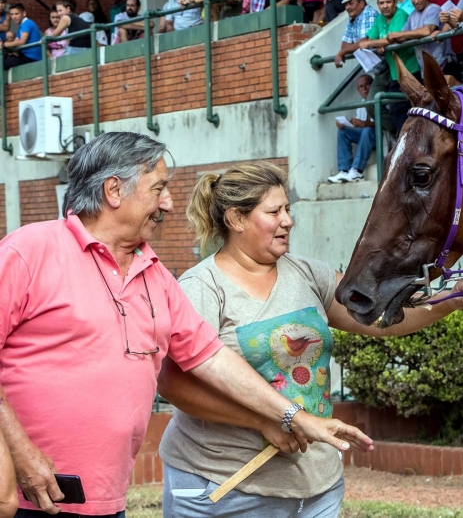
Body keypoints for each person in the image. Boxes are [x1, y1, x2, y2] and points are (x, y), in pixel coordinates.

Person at [0, 132, 373, 517]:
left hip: (103, 498)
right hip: (29, 492)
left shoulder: (153, 273)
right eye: (158, 188)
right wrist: (21, 453)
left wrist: (293, 416)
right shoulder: (30, 250)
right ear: (113, 190)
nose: (168, 202)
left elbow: (210, 357)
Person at [158, 160, 463, 517]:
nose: (288, 220)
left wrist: (447, 302)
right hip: (226, 485)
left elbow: (377, 316)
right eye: (274, 211)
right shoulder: (202, 288)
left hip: (316, 487)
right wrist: (265, 420)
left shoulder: (307, 273)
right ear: (236, 219)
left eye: (288, 209)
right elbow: (173, 384)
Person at [358, 0, 419, 131]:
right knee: (397, 111)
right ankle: (401, 140)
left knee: (403, 111)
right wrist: (379, 42)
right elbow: (371, 38)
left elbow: (391, 39)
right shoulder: (380, 19)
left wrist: (377, 43)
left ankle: (404, 143)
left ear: (395, 2)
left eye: (388, 2)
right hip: (395, 73)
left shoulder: (401, 15)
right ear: (377, 4)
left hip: (410, 71)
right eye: (381, 3)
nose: (385, 6)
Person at [386, 0, 455, 77]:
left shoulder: (433, 8)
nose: (416, 1)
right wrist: (392, 38)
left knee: (452, 90)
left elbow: (426, 31)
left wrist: (399, 34)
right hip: (427, 69)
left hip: (443, 64)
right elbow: (402, 37)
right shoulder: (412, 15)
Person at [328, 74, 375, 183]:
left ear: (372, 85)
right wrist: (346, 124)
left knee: (367, 130)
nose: (364, 88)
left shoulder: (380, 98)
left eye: (367, 85)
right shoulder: (361, 104)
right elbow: (359, 125)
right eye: (361, 86)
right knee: (343, 131)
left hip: (378, 135)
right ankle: (344, 170)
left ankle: (357, 170)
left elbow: (385, 124)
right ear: (358, 90)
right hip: (365, 135)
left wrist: (364, 123)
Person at [332, 0, 377, 67]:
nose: (347, 7)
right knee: (362, 79)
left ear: (361, 3)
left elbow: (364, 42)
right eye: (345, 4)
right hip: (376, 67)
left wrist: (342, 52)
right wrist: (343, 51)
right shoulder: (353, 18)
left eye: (350, 3)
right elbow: (345, 46)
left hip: (387, 65)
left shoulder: (369, 13)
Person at [1, 4, 42, 68]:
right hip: (25, 55)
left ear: (24, 13)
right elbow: (16, 43)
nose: (14, 17)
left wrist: (4, 45)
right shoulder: (20, 27)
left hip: (32, 57)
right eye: (12, 14)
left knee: (6, 62)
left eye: (17, 14)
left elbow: (22, 41)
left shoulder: (27, 23)